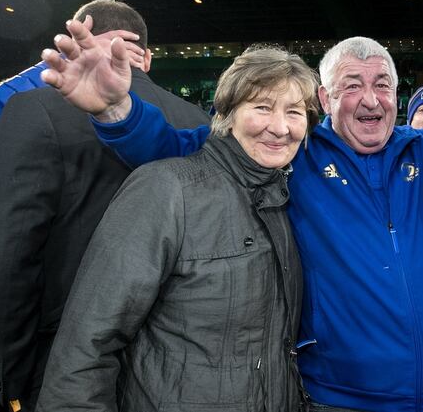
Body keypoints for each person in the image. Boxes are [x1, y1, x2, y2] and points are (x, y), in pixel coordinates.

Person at [36, 0, 423, 411]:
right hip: (338, 402)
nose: (369, 100)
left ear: (398, 95)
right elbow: (177, 153)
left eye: (382, 85)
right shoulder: (290, 152)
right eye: (351, 86)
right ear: (324, 98)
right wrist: (116, 112)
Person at [35, 44, 313, 412]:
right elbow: (87, 345)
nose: (279, 127)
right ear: (227, 114)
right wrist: (117, 110)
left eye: (293, 112)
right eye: (262, 107)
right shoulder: (167, 188)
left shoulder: (283, 198)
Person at [0, 0, 209, 412]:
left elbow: (10, 255)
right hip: (175, 364)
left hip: (55, 362)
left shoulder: (31, 109)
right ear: (146, 57)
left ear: (78, 45)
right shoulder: (196, 120)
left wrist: (10, 375)